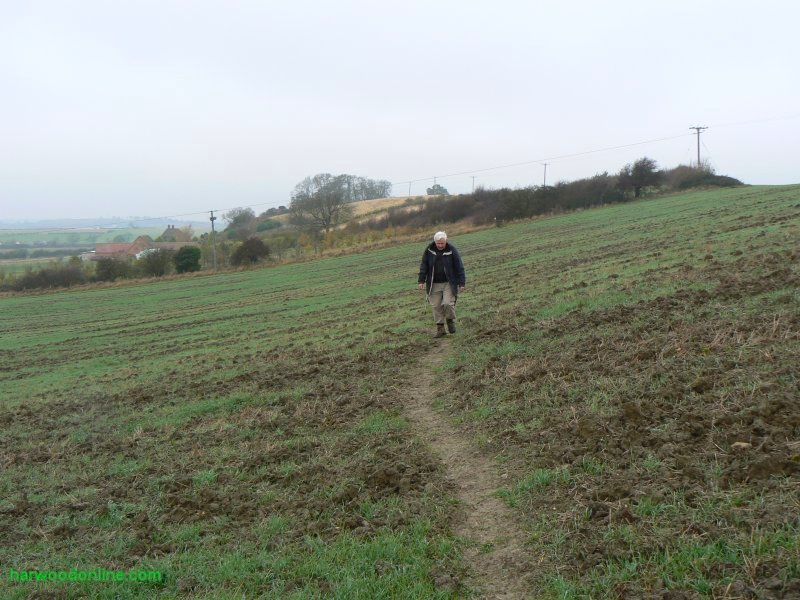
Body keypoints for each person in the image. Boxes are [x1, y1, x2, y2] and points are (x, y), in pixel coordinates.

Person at [417, 231, 466, 338]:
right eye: (438, 243)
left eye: (442, 243)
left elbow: (459, 266)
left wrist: (462, 282)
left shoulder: (452, 250)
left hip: (449, 282)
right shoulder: (429, 250)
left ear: (446, 241)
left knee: (448, 303)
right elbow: (424, 265)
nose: (440, 245)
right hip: (433, 283)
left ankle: (450, 321)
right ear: (435, 242)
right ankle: (440, 329)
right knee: (436, 306)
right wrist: (421, 280)